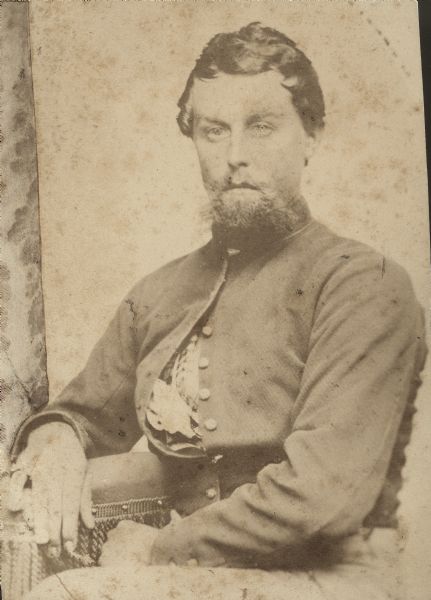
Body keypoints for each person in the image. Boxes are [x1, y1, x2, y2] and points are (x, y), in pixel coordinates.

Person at [7, 22, 427, 600]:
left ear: (312, 135)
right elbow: (85, 414)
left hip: (329, 578)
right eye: (213, 131)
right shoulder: (159, 292)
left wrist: (160, 550)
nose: (235, 157)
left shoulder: (363, 284)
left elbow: (324, 495)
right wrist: (56, 439)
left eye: (261, 127)